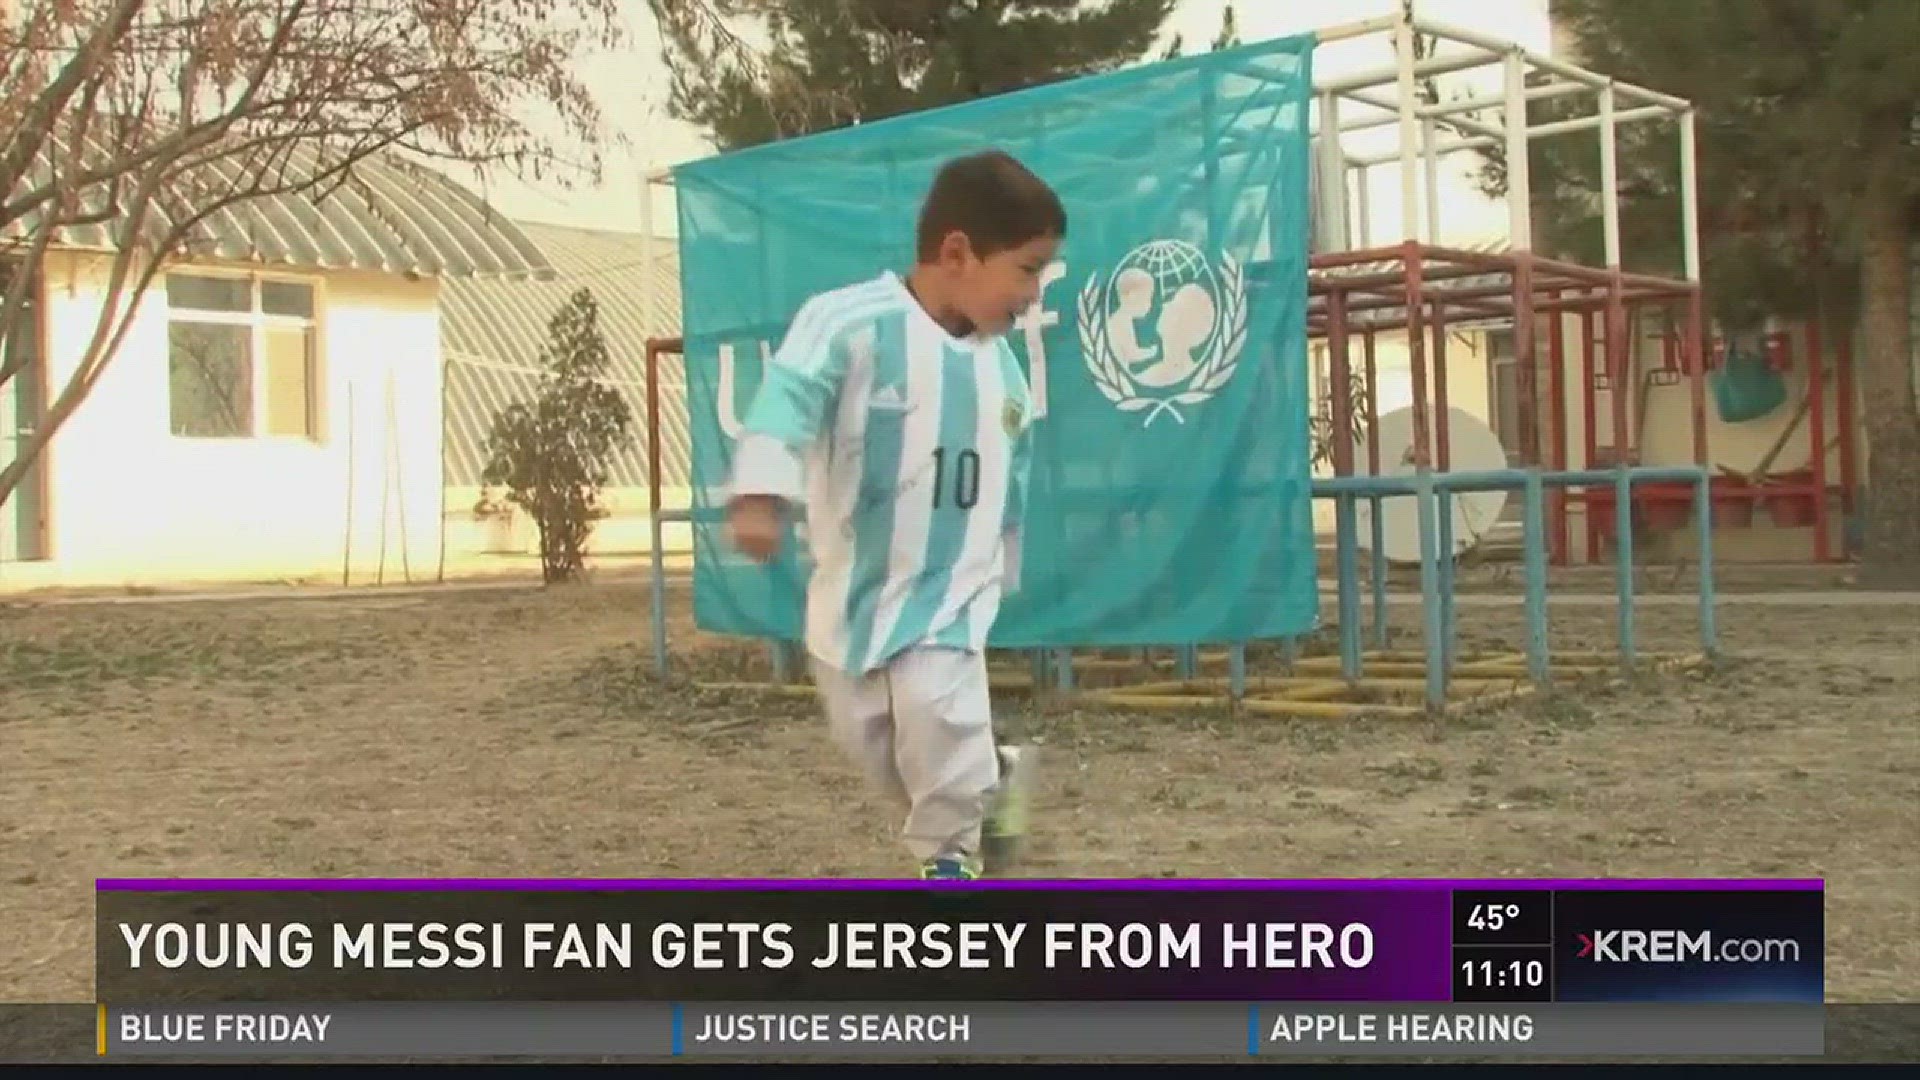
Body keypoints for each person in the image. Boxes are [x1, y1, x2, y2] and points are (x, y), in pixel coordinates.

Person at [725, 149, 1065, 881]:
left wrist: (1002, 559)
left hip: (948, 594)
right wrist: (759, 492)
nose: (1034, 293)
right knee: (877, 744)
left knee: (938, 715)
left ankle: (953, 868)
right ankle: (997, 787)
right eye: (1028, 268)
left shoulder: (1003, 370)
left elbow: (1016, 463)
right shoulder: (848, 323)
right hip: (850, 599)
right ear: (958, 253)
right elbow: (788, 397)